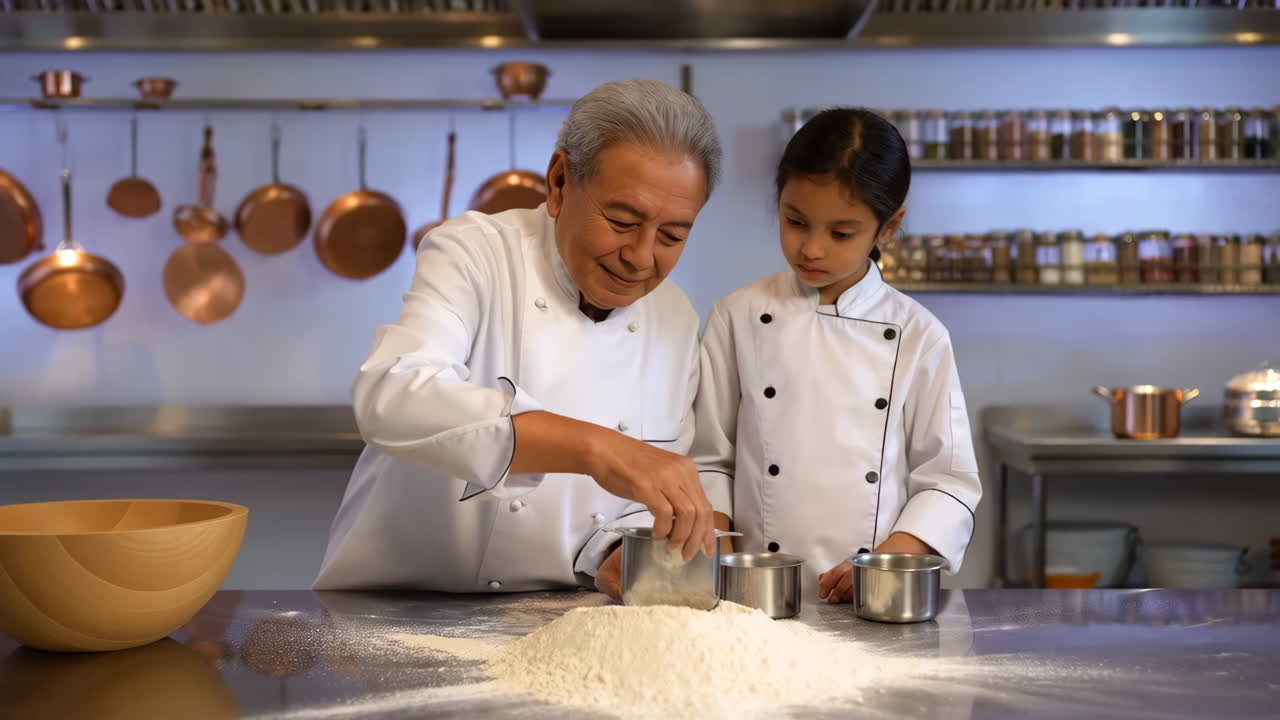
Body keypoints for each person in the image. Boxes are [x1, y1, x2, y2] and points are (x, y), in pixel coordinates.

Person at [314, 78, 725, 599]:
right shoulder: (474, 254)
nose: (642, 257)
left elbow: (639, 496)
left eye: (672, 235)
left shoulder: (675, 318)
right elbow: (392, 397)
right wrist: (597, 448)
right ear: (559, 182)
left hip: (558, 614)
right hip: (398, 607)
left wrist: (616, 551)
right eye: (622, 221)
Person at [692, 107, 982, 603]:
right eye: (795, 221)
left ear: (888, 227)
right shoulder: (736, 316)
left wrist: (890, 560)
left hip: (870, 595)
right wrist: (719, 557)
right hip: (751, 594)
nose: (811, 249)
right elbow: (709, 460)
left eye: (841, 233)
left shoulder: (918, 334)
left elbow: (947, 480)